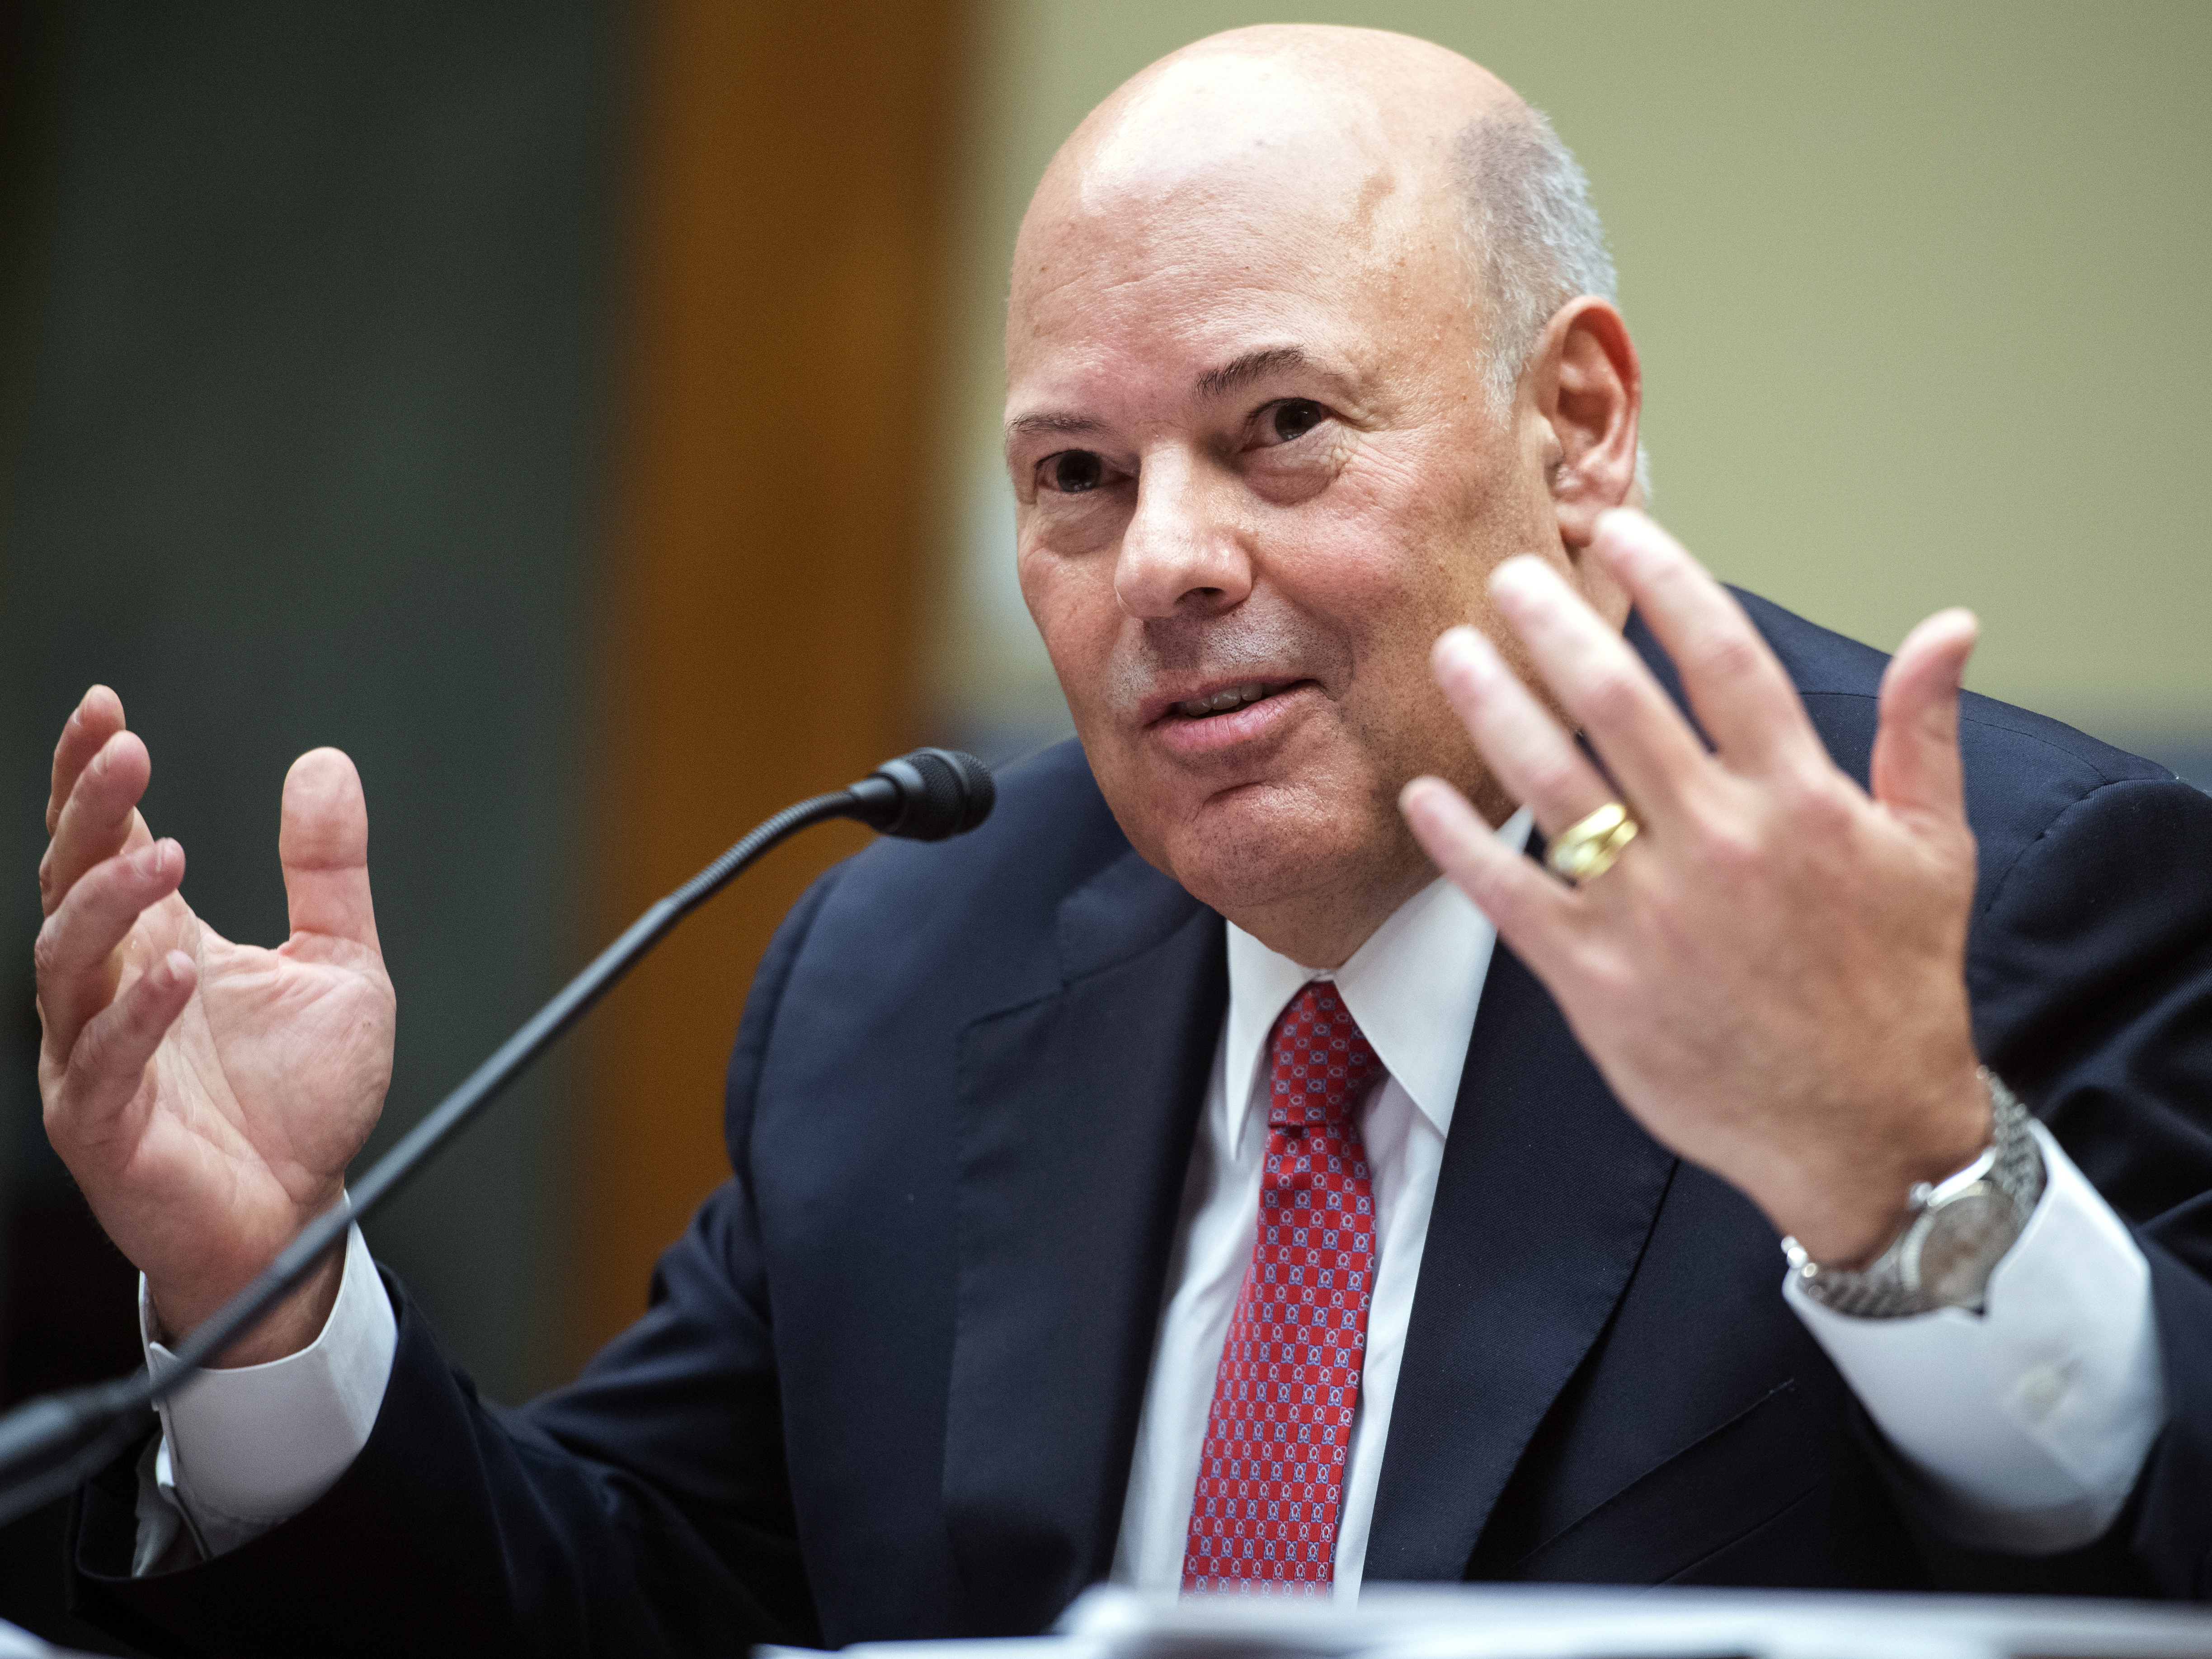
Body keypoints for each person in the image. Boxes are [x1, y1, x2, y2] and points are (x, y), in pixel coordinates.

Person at [35, 24, 2212, 1656]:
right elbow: (626, 1605)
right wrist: (262, 1296)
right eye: (1076, 476)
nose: (1165, 560)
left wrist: (1916, 1188)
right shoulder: (913, 967)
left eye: (1282, 430)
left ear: (1577, 427)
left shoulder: (1991, 907)